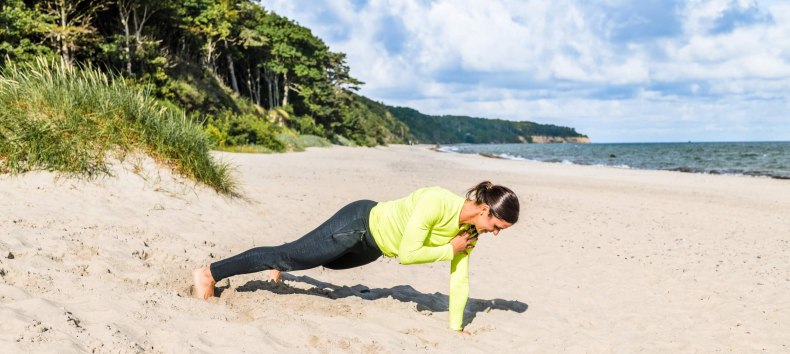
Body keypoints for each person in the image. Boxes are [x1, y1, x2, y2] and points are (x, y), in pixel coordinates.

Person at [192, 181, 520, 333]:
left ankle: (283, 266)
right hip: (359, 224)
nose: (495, 232)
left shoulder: (470, 234)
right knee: (291, 255)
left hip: (373, 249)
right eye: (496, 224)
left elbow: (459, 277)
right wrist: (449, 249)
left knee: (324, 261)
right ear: (482, 207)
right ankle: (210, 273)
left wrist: (455, 328)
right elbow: (408, 255)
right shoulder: (437, 202)